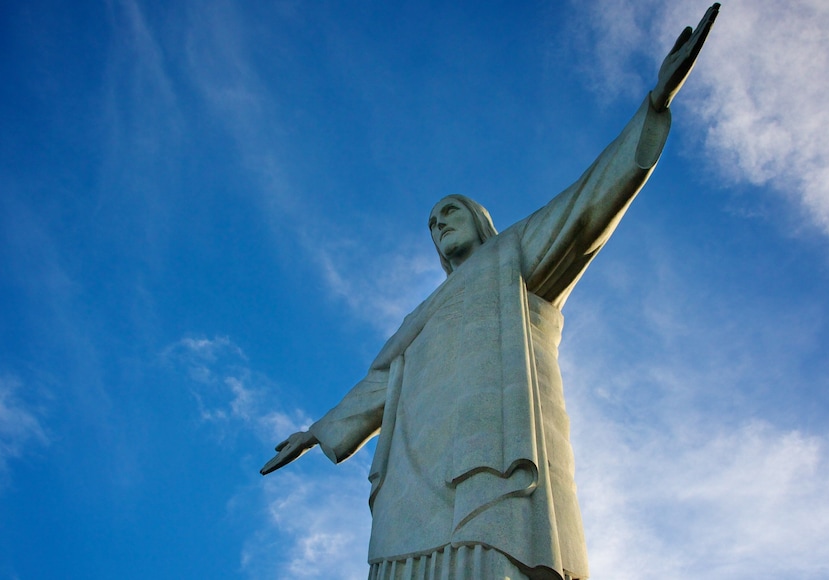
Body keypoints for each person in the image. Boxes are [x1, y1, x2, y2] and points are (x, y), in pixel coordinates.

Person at [261, 5, 720, 579]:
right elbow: (379, 383)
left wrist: (653, 104)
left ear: (480, 220)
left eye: (449, 213)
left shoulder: (513, 256)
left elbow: (586, 205)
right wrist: (317, 430)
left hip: (488, 460)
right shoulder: (420, 316)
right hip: (413, 479)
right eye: (432, 224)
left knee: (491, 557)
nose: (439, 225)